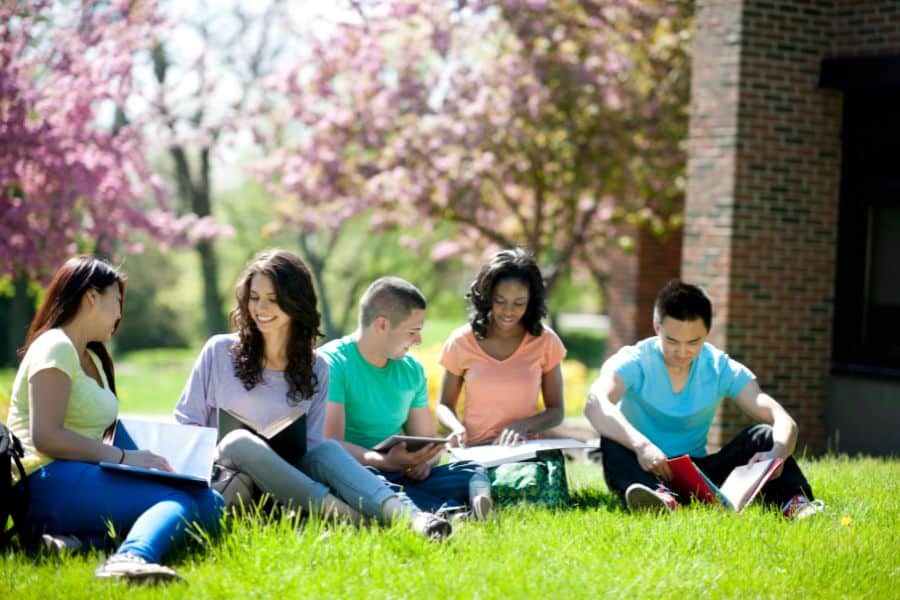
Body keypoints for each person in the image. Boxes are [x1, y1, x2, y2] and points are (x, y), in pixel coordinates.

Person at [174, 250, 450, 539]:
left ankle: (415, 520)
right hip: (227, 481)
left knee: (328, 450)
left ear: (295, 302)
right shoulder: (219, 351)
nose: (260, 308)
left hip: (287, 493)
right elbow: (185, 425)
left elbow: (313, 451)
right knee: (239, 442)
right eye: (254, 297)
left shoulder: (316, 367)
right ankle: (351, 519)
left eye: (273, 298)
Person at [4, 256, 223, 583]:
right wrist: (123, 458)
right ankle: (129, 558)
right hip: (42, 482)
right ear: (92, 297)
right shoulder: (55, 346)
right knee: (181, 500)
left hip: (80, 476)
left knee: (212, 503)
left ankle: (77, 544)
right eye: (117, 301)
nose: (121, 313)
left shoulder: (91, 356)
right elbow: (46, 436)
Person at [584, 279, 824, 519]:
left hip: (698, 472)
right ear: (657, 328)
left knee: (763, 435)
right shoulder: (634, 360)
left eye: (693, 342)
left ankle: (795, 504)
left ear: (707, 334)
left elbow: (781, 418)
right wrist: (642, 446)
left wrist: (778, 453)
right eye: (672, 341)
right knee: (612, 439)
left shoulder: (720, 367)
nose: (681, 352)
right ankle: (658, 500)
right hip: (642, 468)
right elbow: (595, 402)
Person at [320, 276, 492, 519]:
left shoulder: (411, 370)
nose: (419, 340)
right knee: (375, 483)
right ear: (382, 325)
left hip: (399, 472)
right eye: (413, 332)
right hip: (357, 473)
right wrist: (384, 462)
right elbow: (329, 444)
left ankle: (464, 505)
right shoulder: (332, 364)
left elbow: (427, 441)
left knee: (471, 470)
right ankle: (446, 511)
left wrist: (423, 462)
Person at [436, 248, 566, 447]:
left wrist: (523, 426)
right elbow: (444, 405)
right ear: (488, 298)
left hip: (522, 453)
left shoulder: (545, 342)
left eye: (519, 303)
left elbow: (556, 411)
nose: (508, 311)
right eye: (500, 301)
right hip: (474, 453)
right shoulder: (462, 341)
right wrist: (456, 428)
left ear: (531, 301)